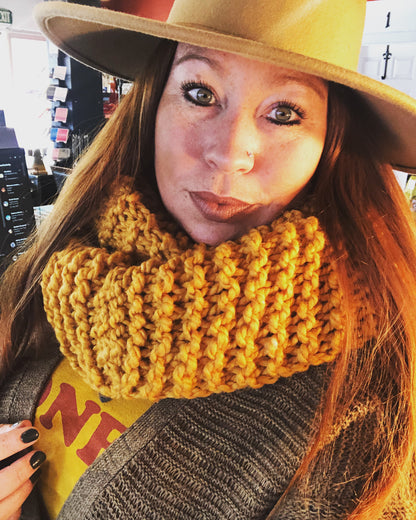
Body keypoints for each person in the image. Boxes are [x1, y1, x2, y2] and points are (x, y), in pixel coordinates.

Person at [1, 0, 416, 518]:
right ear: (153, 103)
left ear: (331, 140)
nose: (229, 152)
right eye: (200, 93)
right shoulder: (66, 263)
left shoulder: (373, 398)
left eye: (284, 113)